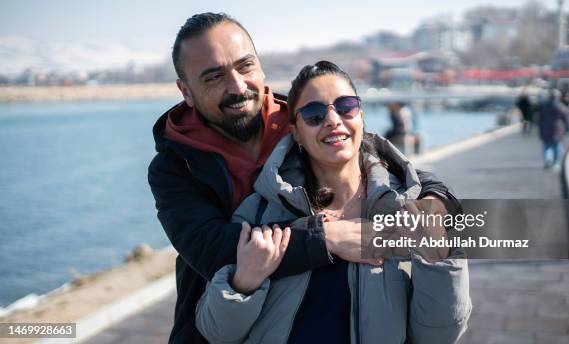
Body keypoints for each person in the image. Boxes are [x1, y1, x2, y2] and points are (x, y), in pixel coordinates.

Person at [148, 13, 460, 343]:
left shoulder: (307, 119)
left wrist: (435, 199)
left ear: (261, 66)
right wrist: (325, 238)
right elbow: (214, 251)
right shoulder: (174, 167)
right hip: (220, 321)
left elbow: (385, 168)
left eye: (245, 66)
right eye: (214, 77)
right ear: (187, 91)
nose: (238, 87)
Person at [538, 89, 569, 169]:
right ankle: (556, 163)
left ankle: (548, 160)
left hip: (545, 128)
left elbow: (540, 117)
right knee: (556, 145)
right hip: (556, 128)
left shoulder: (544, 105)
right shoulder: (558, 105)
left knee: (547, 145)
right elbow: (567, 113)